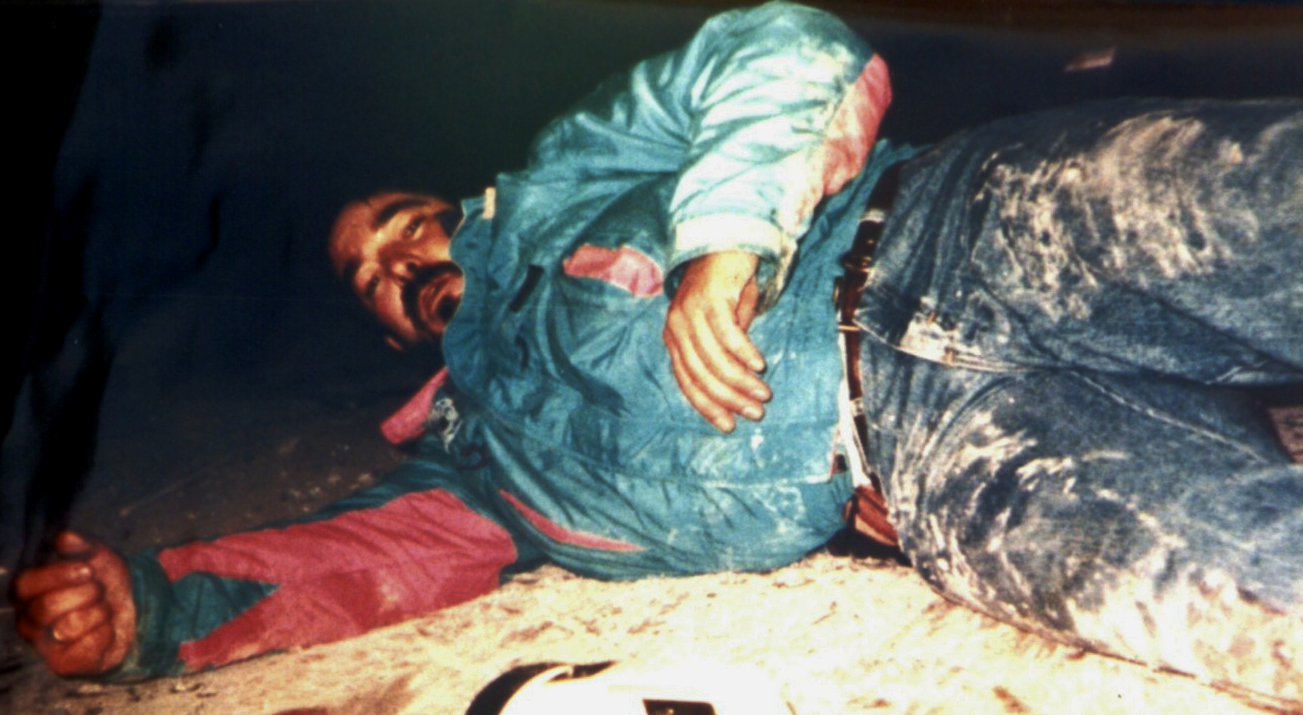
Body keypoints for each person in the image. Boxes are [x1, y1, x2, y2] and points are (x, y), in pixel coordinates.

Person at [12, 0, 1303, 704]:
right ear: (390, 331)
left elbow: (784, 44)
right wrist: (152, 607)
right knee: (1254, 608)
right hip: (943, 472)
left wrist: (724, 244)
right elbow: (362, 560)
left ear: (456, 207)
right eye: (372, 282)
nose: (397, 264)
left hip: (965, 227)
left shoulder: (566, 181)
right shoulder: (481, 467)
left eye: (404, 226)